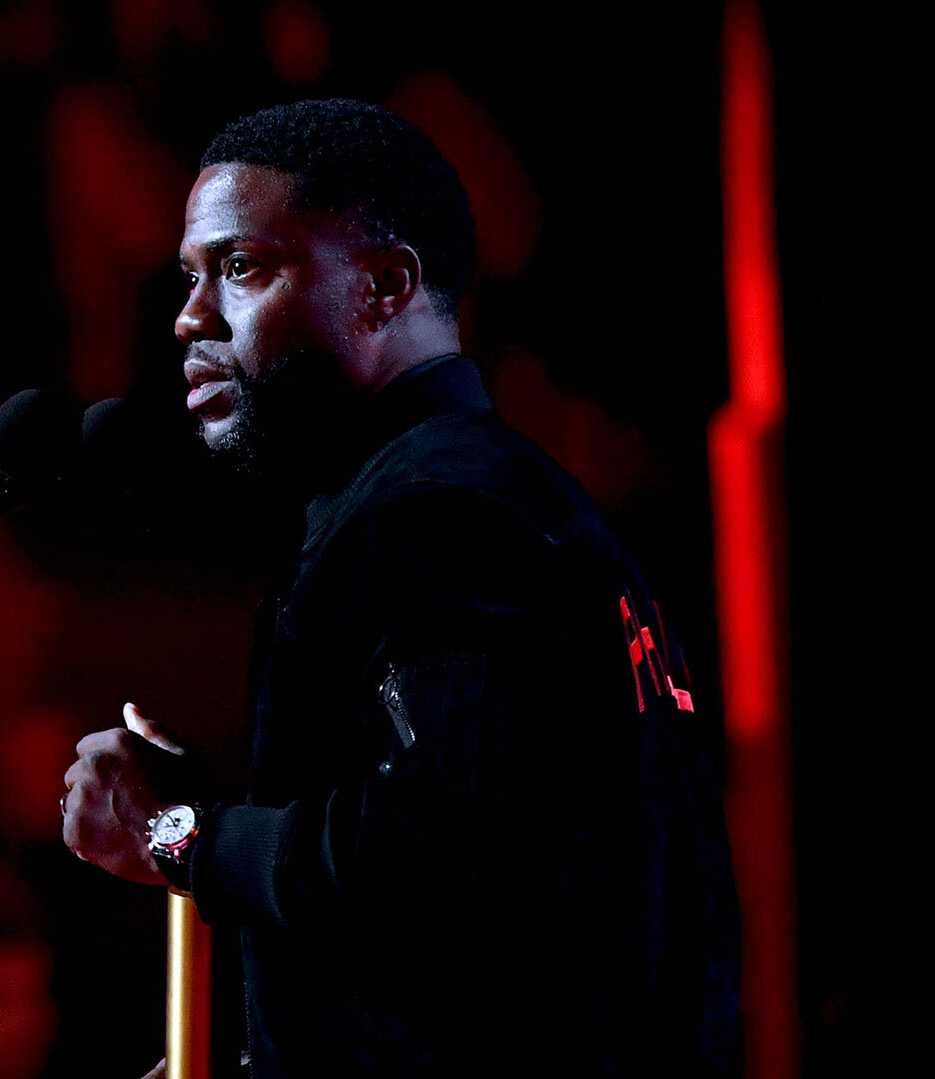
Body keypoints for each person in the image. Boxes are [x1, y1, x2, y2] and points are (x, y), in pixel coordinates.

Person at [59, 100, 740, 1077]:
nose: (190, 315)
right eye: (190, 276)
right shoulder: (507, 501)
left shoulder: (435, 516)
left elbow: (427, 850)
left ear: (384, 286)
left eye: (241, 267)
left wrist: (172, 836)